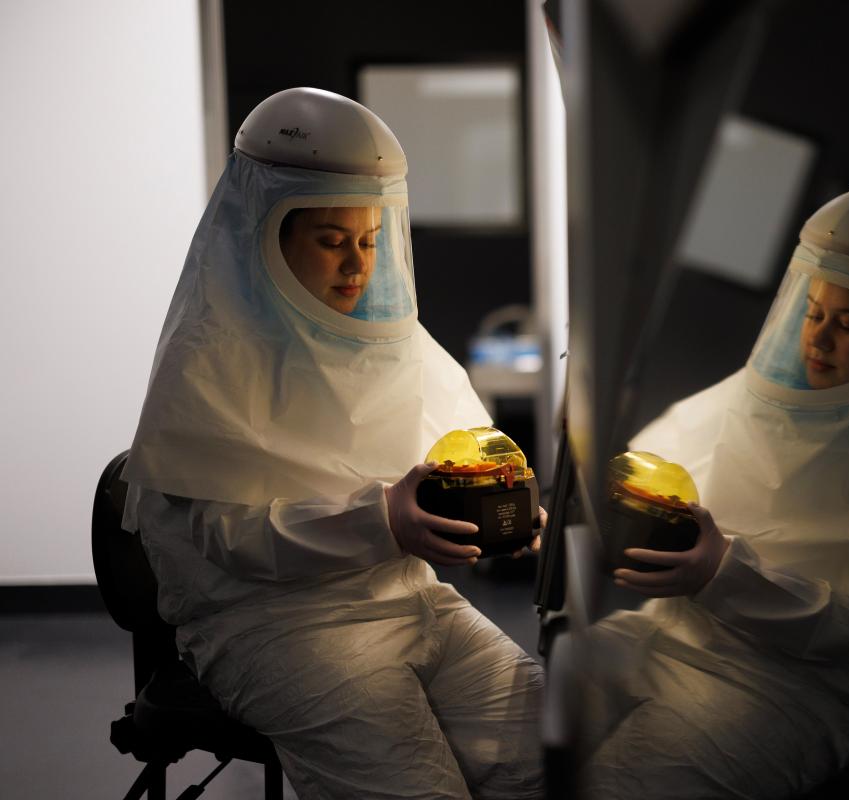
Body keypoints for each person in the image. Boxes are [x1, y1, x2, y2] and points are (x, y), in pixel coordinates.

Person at [122, 87, 543, 800]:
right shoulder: (213, 357)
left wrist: (509, 509)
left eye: (369, 241)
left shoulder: (392, 346)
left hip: (408, 598)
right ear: (269, 232)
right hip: (270, 625)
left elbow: (465, 452)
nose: (356, 267)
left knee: (556, 759)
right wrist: (381, 520)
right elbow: (232, 539)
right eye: (329, 241)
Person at [581, 186, 849, 798]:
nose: (817, 340)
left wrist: (724, 573)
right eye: (814, 313)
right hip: (662, 636)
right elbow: (651, 473)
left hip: (783, 691)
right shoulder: (763, 407)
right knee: (514, 734)